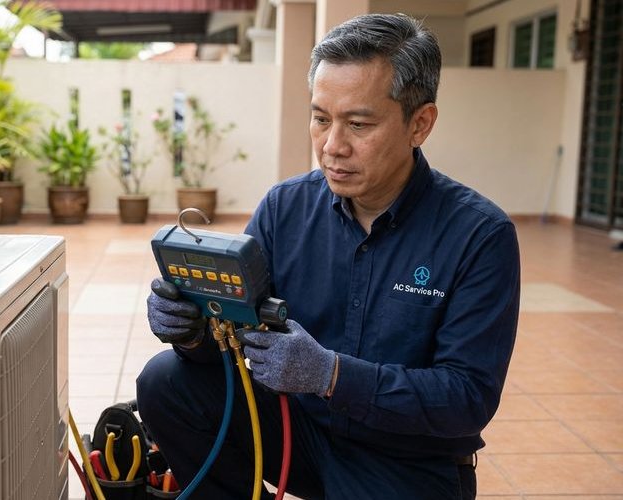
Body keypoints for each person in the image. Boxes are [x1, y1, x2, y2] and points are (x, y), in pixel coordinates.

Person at [137, 13, 519, 500]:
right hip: (298, 433)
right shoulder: (285, 208)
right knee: (168, 382)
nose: (333, 147)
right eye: (321, 119)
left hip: (405, 461)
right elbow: (232, 341)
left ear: (419, 124)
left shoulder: (479, 235)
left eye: (359, 124)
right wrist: (192, 331)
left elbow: (466, 398)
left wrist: (333, 375)